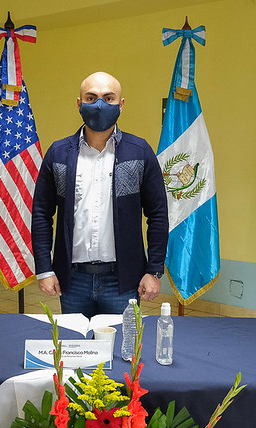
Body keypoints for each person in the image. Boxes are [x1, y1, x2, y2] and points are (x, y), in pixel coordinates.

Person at [31, 71, 168, 317]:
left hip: (123, 281)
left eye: (109, 98)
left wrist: (154, 270)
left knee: (121, 342)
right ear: (79, 103)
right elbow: (41, 213)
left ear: (121, 104)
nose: (100, 104)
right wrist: (44, 269)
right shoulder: (58, 153)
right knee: (76, 342)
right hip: (73, 281)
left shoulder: (140, 152)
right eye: (91, 98)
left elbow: (158, 214)